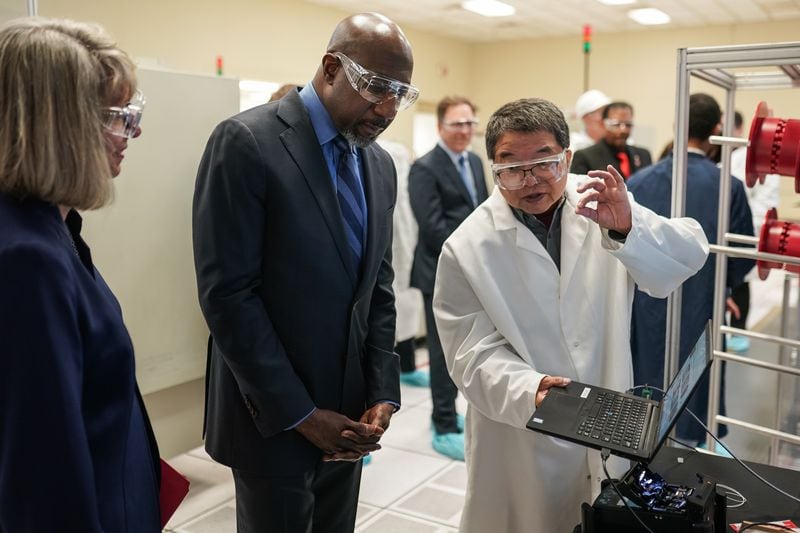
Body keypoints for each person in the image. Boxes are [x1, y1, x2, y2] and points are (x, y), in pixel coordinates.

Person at [433, 97, 708, 532]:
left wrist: (627, 226)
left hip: (609, 415)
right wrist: (531, 389)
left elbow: (689, 254)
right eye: (511, 167)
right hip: (521, 435)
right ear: (494, 169)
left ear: (568, 157)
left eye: (545, 162)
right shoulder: (468, 247)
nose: (530, 180)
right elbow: (470, 354)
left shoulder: (601, 200)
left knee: (603, 517)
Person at [192, 12, 417, 532]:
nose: (386, 108)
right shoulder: (247, 142)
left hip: (351, 417)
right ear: (331, 68)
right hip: (271, 415)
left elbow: (376, 289)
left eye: (400, 94)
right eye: (376, 87)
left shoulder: (378, 165)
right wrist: (302, 415)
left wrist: (382, 391)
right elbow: (229, 296)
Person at [0, 17, 159, 531]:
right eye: (117, 116)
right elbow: (44, 476)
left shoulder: (53, 227)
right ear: (59, 123)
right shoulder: (27, 259)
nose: (130, 132)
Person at [627, 93, 754, 446]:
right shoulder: (730, 186)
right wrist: (722, 286)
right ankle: (692, 447)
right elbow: (742, 254)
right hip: (704, 301)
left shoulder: (638, 183)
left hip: (647, 303)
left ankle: (641, 444)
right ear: (717, 130)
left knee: (647, 376)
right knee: (697, 381)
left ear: (677, 125)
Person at [409, 95, 489, 461]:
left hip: (475, 270)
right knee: (442, 354)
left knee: (470, 348)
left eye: (470, 123)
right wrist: (471, 251)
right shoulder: (425, 167)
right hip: (438, 272)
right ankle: (442, 422)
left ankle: (456, 411)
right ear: (440, 126)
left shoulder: (473, 161)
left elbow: (486, 211)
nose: (465, 131)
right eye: (457, 124)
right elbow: (432, 227)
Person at [727, 110, 780, 353]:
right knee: (720, 283)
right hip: (722, 229)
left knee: (740, 281)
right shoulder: (725, 157)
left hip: (744, 230)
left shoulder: (765, 165)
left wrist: (747, 230)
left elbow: (764, 204)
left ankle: (738, 330)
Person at [378, 139, 427, 388]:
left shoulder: (394, 151)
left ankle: (406, 366)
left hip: (406, 239)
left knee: (406, 302)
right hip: (390, 240)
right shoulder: (387, 151)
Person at [570, 101, 652, 179]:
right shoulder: (585, 157)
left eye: (628, 125)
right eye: (616, 124)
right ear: (603, 124)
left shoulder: (643, 155)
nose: (623, 130)